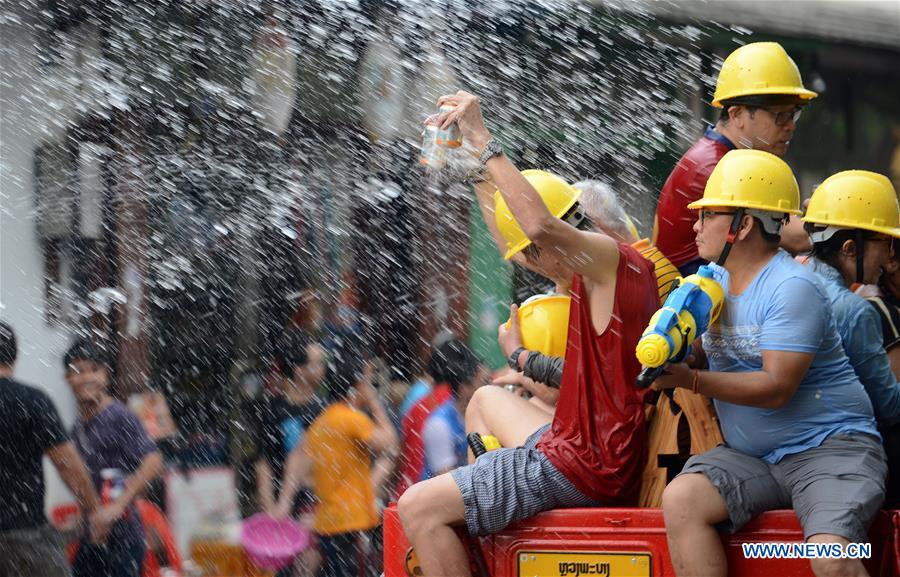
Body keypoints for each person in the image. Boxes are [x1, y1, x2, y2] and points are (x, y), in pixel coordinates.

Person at [397, 91, 659, 577]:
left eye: (536, 255)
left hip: (582, 466)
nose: (528, 264)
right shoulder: (591, 268)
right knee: (486, 401)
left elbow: (535, 226)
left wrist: (483, 137)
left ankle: (481, 505)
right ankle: (485, 503)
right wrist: (477, 168)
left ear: (565, 236)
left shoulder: (608, 264)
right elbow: (517, 241)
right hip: (580, 445)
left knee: (416, 507)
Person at [656, 150, 886, 577]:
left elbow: (777, 388)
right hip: (753, 456)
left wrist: (692, 379)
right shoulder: (711, 283)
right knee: (682, 499)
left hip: (828, 449)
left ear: (742, 225)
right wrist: (677, 352)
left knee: (832, 560)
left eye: (708, 215)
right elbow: (708, 354)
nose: (696, 225)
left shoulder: (792, 286)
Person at [653, 42, 817, 275]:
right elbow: (798, 238)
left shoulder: (722, 157)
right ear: (737, 114)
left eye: (794, 115)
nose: (790, 126)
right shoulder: (718, 168)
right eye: (780, 116)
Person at [802, 170, 900, 508]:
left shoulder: (790, 280)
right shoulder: (855, 311)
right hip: (840, 455)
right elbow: (889, 407)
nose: (889, 260)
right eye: (885, 245)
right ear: (848, 248)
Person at [0, 322, 111, 577]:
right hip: (25, 539)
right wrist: (93, 509)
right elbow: (66, 463)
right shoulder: (31, 401)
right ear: (14, 358)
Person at [279, 343, 398, 577]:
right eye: (366, 385)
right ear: (356, 388)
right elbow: (390, 441)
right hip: (349, 521)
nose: (370, 389)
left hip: (328, 522)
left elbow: (304, 473)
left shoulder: (321, 422)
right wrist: (374, 403)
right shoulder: (351, 419)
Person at [64, 338, 164, 577]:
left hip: (125, 539)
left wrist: (118, 506)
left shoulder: (120, 416)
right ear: (67, 379)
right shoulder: (76, 428)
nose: (87, 377)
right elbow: (87, 478)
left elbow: (154, 461)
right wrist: (80, 517)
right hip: (93, 538)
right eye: (78, 371)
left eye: (94, 370)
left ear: (106, 377)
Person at [254, 327, 327, 577]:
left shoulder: (325, 411)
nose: (323, 368)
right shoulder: (273, 411)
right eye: (317, 363)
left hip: (320, 511)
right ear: (298, 370)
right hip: (284, 514)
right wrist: (269, 507)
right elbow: (263, 462)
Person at [395, 338, 473, 497]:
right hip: (432, 498)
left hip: (407, 494)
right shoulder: (456, 403)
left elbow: (399, 453)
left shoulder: (417, 403)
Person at [421, 344, 489, 478]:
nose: (490, 388)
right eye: (485, 383)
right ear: (464, 388)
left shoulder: (481, 414)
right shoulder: (439, 425)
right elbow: (448, 481)